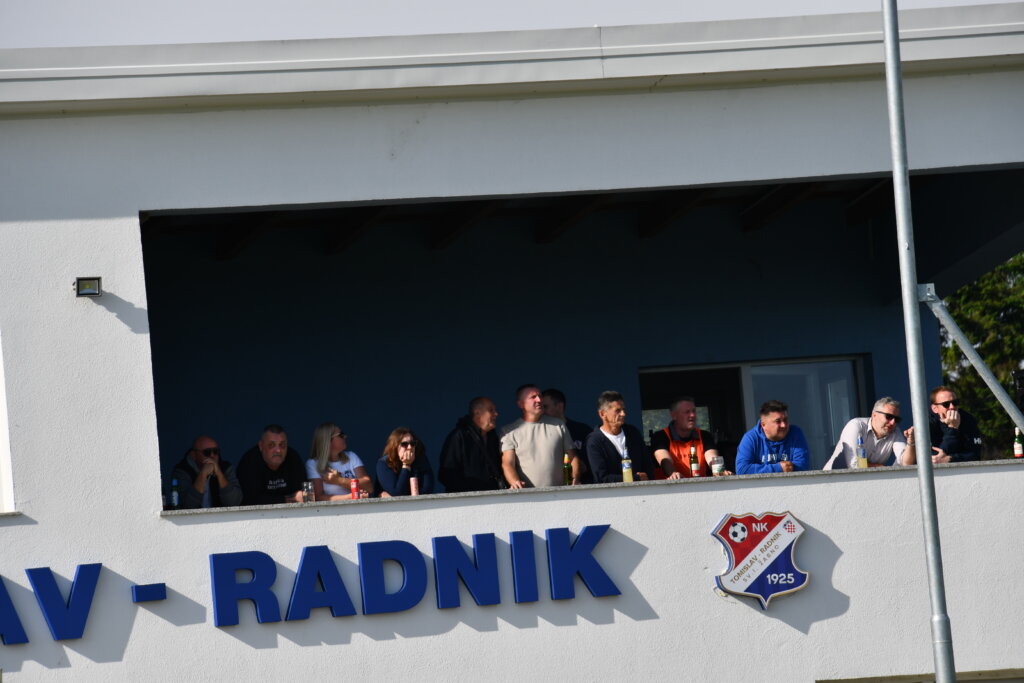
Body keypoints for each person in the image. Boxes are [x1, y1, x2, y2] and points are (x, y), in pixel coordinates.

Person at [500, 384, 581, 488]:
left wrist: (574, 478)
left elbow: (572, 457)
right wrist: (515, 482)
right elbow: (508, 463)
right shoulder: (509, 431)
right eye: (533, 397)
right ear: (521, 404)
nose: (539, 400)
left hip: (560, 493)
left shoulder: (558, 424)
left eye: (540, 396)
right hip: (528, 494)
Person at [650, 396, 730, 479]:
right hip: (670, 486)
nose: (692, 415)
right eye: (687, 412)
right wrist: (673, 474)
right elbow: (665, 460)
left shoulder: (704, 435)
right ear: (674, 415)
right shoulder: (660, 436)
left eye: (694, 411)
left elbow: (712, 457)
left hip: (700, 485)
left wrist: (720, 472)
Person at [438, 396, 506, 492]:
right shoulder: (458, 436)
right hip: (467, 499)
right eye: (491, 410)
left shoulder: (493, 437)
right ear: (477, 413)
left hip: (492, 497)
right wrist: (467, 493)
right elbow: (446, 474)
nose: (496, 414)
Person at [584, 391, 654, 483]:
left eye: (623, 410)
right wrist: (635, 478)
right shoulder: (594, 441)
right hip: (611, 492)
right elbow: (601, 478)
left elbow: (648, 466)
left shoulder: (633, 433)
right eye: (617, 411)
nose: (623, 414)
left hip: (641, 491)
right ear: (602, 414)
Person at [823, 397, 910, 469]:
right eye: (888, 417)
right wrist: (880, 467)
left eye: (897, 419)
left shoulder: (895, 431)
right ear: (874, 415)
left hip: (865, 481)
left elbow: (904, 463)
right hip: (832, 480)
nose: (893, 422)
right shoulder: (855, 425)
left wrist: (911, 443)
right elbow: (854, 465)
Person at [904, 386, 983, 464]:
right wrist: (952, 428)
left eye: (955, 403)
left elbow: (975, 455)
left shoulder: (967, 419)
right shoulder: (927, 422)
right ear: (935, 408)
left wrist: (950, 458)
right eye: (946, 404)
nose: (952, 407)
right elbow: (935, 458)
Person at [237, 424, 307, 505]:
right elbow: (252, 499)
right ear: (261, 446)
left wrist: (299, 497)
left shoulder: (293, 458)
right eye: (271, 445)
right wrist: (289, 499)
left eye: (282, 445)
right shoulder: (249, 461)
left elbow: (305, 494)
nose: (278, 450)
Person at [735, 400, 810, 474]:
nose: (784, 425)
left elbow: (802, 466)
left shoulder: (795, 433)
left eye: (785, 420)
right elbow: (742, 470)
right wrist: (779, 468)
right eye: (778, 421)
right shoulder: (751, 438)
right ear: (763, 425)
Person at [171, 435, 243, 508]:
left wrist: (219, 474)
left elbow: (234, 503)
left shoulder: (226, 468)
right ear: (194, 455)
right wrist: (203, 475)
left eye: (215, 451)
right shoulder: (182, 471)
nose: (212, 456)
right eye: (207, 452)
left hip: (221, 515)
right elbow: (187, 506)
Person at [305, 423, 373, 500]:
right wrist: (350, 497)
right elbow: (318, 498)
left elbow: (369, 487)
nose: (345, 436)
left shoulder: (351, 456)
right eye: (341, 435)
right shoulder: (313, 464)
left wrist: (339, 480)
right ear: (328, 440)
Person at [542, 388, 596, 484]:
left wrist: (584, 465)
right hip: (550, 486)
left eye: (545, 407)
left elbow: (596, 461)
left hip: (581, 486)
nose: (542, 411)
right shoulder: (540, 433)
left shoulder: (583, 430)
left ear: (560, 406)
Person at [376, 427, 436, 497]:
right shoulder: (384, 463)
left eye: (412, 443)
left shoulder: (421, 459)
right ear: (395, 446)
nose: (410, 447)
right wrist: (406, 466)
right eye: (404, 444)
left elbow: (427, 489)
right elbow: (397, 493)